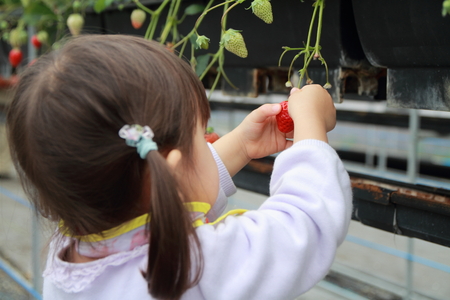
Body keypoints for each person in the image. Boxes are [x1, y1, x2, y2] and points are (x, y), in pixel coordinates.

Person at [6, 34, 352, 300]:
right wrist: (310, 126)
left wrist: (241, 146)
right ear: (168, 173)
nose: (207, 141)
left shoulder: (68, 259)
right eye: (201, 135)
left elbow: (172, 189)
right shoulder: (191, 264)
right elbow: (303, 226)